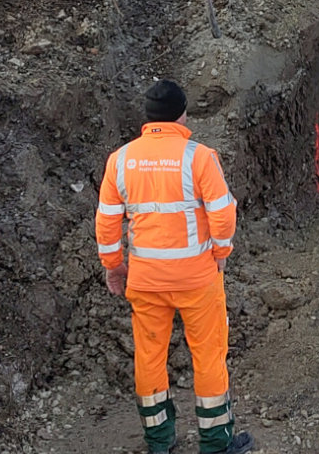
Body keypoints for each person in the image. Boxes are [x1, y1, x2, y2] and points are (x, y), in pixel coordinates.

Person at [96, 79, 251, 454]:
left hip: (146, 282)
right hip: (197, 280)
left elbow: (106, 222)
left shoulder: (120, 160)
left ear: (148, 119)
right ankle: (216, 443)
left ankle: (159, 441)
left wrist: (115, 266)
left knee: (149, 357)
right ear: (182, 115)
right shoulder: (199, 157)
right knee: (209, 355)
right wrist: (221, 253)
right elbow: (222, 213)